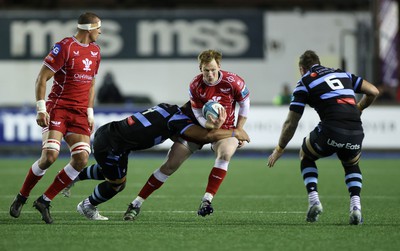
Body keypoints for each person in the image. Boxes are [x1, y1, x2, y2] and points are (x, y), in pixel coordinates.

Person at [72, 103, 250, 220]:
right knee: (117, 185)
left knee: (108, 172)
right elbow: (205, 135)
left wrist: (211, 126)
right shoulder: (179, 120)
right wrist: (234, 132)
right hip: (113, 145)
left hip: (111, 134)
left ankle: (73, 176)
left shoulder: (168, 107)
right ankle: (87, 205)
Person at [9, 12, 102, 224]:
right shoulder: (65, 47)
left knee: (81, 159)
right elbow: (42, 77)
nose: (100, 32)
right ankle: (22, 196)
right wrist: (41, 108)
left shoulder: (96, 51)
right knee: (50, 156)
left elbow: (91, 83)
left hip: (79, 113)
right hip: (59, 108)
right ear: (89, 28)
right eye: (98, 27)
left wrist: (89, 112)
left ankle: (45, 200)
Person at [267, 50, 379, 225]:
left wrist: (279, 148)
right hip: (356, 130)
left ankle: (314, 201)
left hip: (331, 129)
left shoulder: (305, 81)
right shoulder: (343, 74)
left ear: (301, 69)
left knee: (306, 155)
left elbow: (291, 122)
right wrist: (359, 108)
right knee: (351, 164)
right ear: (319, 62)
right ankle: (356, 208)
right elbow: (373, 91)